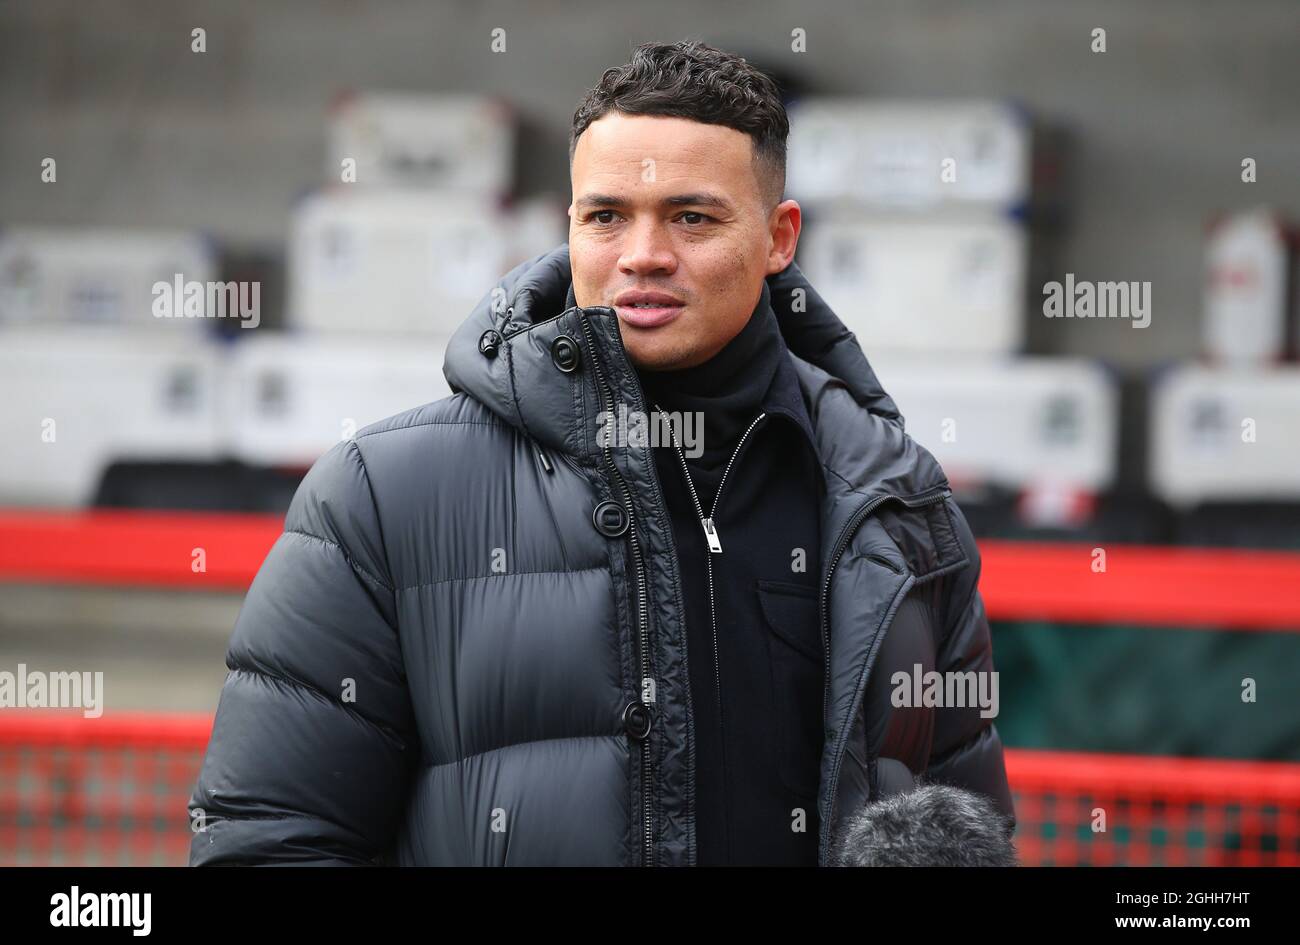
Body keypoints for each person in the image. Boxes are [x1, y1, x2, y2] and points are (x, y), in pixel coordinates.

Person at [188, 38, 1014, 867]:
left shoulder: (897, 502)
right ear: (571, 227)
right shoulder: (380, 494)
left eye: (693, 217)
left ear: (778, 238)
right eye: (607, 216)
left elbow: (962, 818)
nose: (644, 253)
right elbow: (268, 841)